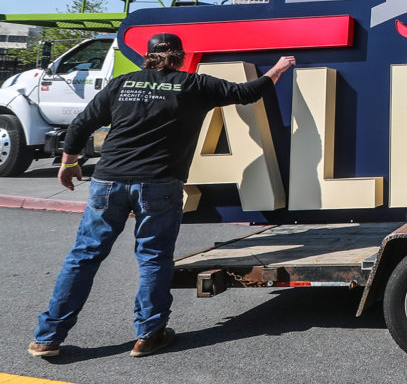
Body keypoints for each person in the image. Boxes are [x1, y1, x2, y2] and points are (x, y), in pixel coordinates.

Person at [28, 33, 295, 358]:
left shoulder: (122, 84)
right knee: (153, 258)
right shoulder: (194, 85)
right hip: (158, 183)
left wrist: (69, 163)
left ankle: (48, 337)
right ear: (180, 57)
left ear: (148, 56)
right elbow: (247, 92)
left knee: (84, 256)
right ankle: (149, 335)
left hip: (108, 181)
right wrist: (278, 69)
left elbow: (81, 124)